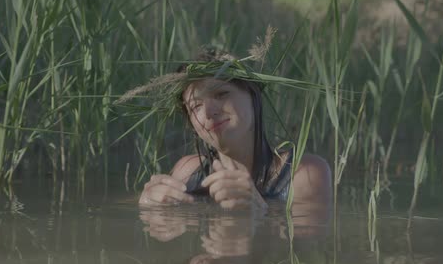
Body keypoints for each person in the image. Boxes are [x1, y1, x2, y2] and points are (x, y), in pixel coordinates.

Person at [137, 48, 332, 211]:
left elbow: (306, 247)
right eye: (195, 106)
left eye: (221, 94)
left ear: (253, 95)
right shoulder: (186, 171)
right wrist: (148, 206)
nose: (208, 112)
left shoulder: (304, 173)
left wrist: (260, 210)